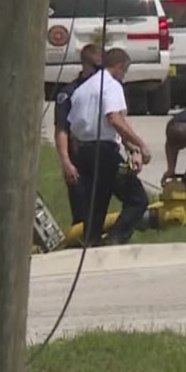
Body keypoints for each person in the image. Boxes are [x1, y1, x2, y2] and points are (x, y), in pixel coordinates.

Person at [67, 48, 152, 247]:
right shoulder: (111, 86)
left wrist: (130, 147)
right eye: (125, 71)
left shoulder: (81, 90)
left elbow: (74, 129)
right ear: (120, 67)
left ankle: (92, 241)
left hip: (84, 152)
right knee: (137, 199)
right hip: (105, 152)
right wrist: (140, 145)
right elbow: (114, 118)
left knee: (96, 204)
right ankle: (115, 237)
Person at [54, 44, 102, 226]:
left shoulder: (107, 88)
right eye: (96, 67)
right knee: (82, 212)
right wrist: (66, 162)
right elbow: (62, 129)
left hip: (103, 153)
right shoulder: (69, 93)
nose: (100, 72)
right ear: (85, 65)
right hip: (79, 155)